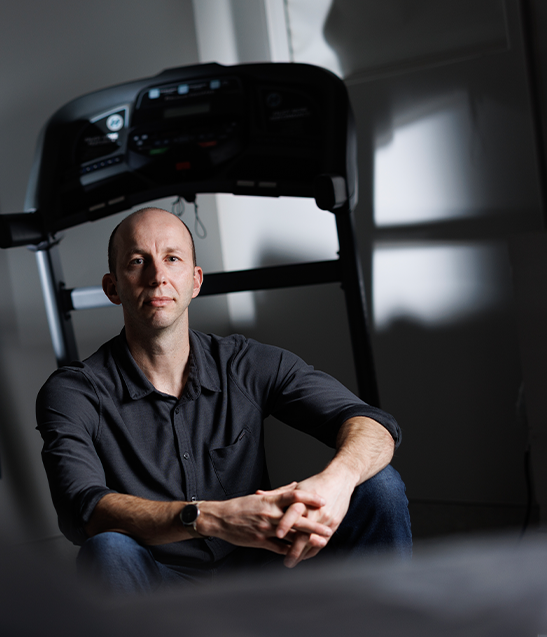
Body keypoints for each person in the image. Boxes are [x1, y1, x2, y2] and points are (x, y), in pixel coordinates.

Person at [36, 207, 411, 594]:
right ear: (113, 287)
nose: (157, 276)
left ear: (195, 281)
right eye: (137, 261)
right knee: (107, 548)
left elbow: (373, 426)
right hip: (162, 583)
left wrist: (334, 483)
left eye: (172, 258)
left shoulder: (244, 362)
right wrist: (211, 518)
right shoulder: (74, 391)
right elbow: (83, 509)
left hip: (271, 567)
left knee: (378, 486)